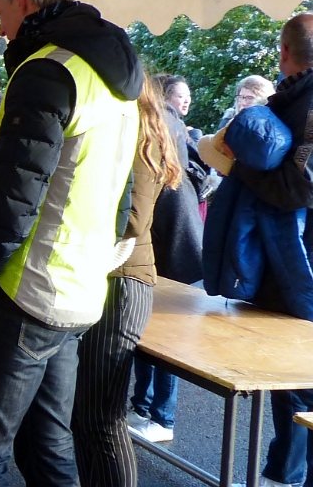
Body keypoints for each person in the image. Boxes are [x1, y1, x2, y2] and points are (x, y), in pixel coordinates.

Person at [0, 0, 142, 486]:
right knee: (45, 449)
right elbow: (121, 190)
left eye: (0, 13)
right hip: (78, 289)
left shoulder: (48, 70)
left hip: (27, 289)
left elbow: (12, 203)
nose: (1, 28)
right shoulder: (112, 74)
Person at [210, 13, 313, 487]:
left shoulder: (306, 103)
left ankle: (288, 476)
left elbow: (298, 185)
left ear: (283, 52)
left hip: (300, 264)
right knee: (291, 381)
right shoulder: (293, 99)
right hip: (288, 261)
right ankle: (286, 473)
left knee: (298, 382)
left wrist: (237, 164)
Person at [71, 77, 182, 487]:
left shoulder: (138, 138)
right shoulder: (136, 133)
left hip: (122, 279)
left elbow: (132, 221)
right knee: (90, 415)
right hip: (115, 278)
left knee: (101, 416)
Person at [128, 75, 204, 445]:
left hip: (169, 244)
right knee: (148, 333)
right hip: (168, 240)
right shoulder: (165, 122)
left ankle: (161, 416)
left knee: (162, 338)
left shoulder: (154, 121)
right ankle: (144, 407)